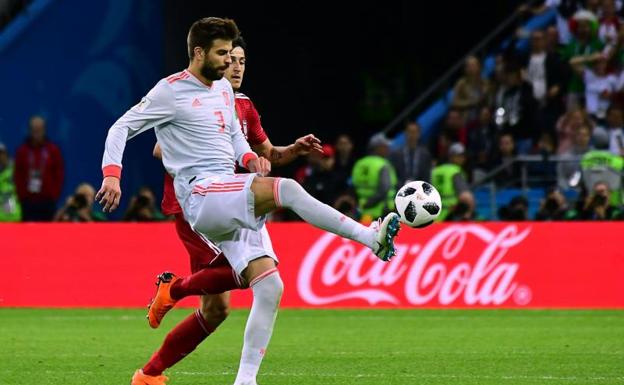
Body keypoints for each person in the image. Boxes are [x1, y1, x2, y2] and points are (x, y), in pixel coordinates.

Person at [97, 19, 401, 385]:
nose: (229, 61)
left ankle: (245, 380)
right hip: (200, 195)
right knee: (285, 190)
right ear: (198, 53)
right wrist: (112, 174)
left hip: (229, 189)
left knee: (270, 287)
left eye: (232, 53)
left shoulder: (225, 91)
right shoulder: (170, 91)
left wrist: (249, 159)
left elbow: (234, 140)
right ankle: (371, 239)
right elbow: (121, 127)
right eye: (222, 53)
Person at [14, 116, 64, 221]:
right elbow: (18, 175)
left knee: (48, 234)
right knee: (27, 234)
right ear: (29, 130)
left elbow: (59, 174)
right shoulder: (22, 151)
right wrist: (22, 196)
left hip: (47, 201)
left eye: (39, 130)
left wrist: (53, 195)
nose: (36, 133)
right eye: (34, 129)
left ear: (44, 130)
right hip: (27, 202)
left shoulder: (53, 150)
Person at [352, 133, 398, 224]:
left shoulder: (359, 164)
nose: (388, 149)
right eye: (385, 146)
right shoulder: (382, 164)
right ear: (378, 148)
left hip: (363, 212)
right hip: (382, 212)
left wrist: (363, 205)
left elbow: (354, 187)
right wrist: (370, 203)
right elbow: (384, 189)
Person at [431, 142, 470, 221]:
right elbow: (465, 196)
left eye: (463, 156)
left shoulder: (435, 171)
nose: (462, 158)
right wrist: (468, 213)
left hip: (434, 215)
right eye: (459, 156)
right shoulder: (455, 171)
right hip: (451, 214)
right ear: (451, 156)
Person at [390, 121, 432, 185]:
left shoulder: (425, 154)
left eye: (414, 132)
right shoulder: (396, 154)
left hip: (419, 189)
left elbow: (427, 176)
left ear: (419, 134)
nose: (412, 135)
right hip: (400, 188)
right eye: (409, 132)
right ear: (405, 133)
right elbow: (393, 174)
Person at [0, 143, 21, 222]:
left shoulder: (15, 169)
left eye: (1, 154)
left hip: (13, 215)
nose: (0, 157)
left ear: (6, 155)